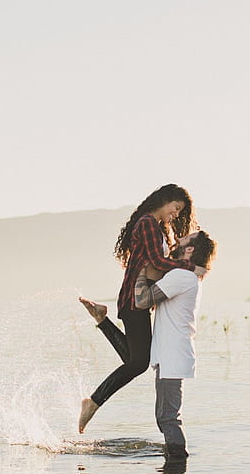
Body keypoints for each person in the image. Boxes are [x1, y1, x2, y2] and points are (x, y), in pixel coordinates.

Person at [78, 184, 202, 433]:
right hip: (135, 300)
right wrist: (191, 268)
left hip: (136, 301)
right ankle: (93, 401)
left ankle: (102, 320)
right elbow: (157, 261)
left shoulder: (154, 226)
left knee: (136, 361)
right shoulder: (147, 222)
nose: (176, 215)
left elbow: (156, 264)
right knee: (138, 363)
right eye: (175, 208)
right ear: (165, 200)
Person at [81, 230, 217, 458]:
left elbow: (142, 299)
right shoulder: (185, 275)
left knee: (168, 417)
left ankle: (176, 467)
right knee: (139, 367)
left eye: (184, 240)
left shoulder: (182, 277)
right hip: (169, 353)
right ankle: (101, 320)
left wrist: (140, 267)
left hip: (173, 355)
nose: (178, 241)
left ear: (190, 249)